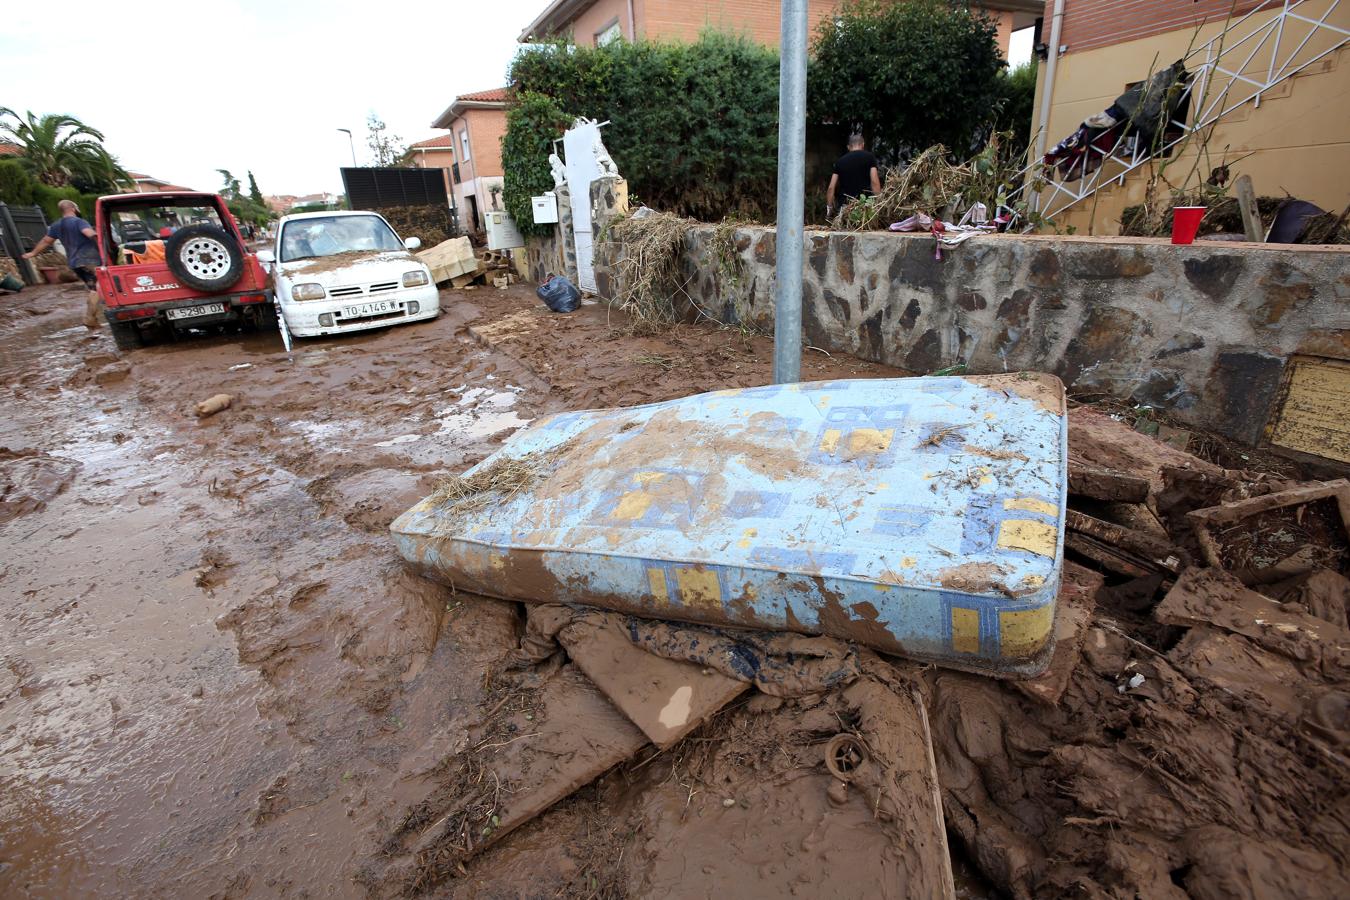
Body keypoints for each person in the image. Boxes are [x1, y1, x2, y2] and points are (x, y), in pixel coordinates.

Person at [23, 199, 104, 328]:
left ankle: (92, 318)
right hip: (90, 260)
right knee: (99, 288)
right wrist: (105, 246)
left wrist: (32, 253)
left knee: (93, 288)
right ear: (73, 208)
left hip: (74, 263)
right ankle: (90, 318)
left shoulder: (56, 225)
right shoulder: (79, 222)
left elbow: (46, 241)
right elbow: (90, 234)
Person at [826, 133, 881, 218]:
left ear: (848, 147)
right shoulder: (869, 157)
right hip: (865, 208)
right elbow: (874, 182)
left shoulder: (840, 162)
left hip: (844, 210)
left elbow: (831, 188)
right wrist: (879, 203)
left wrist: (829, 209)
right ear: (862, 145)